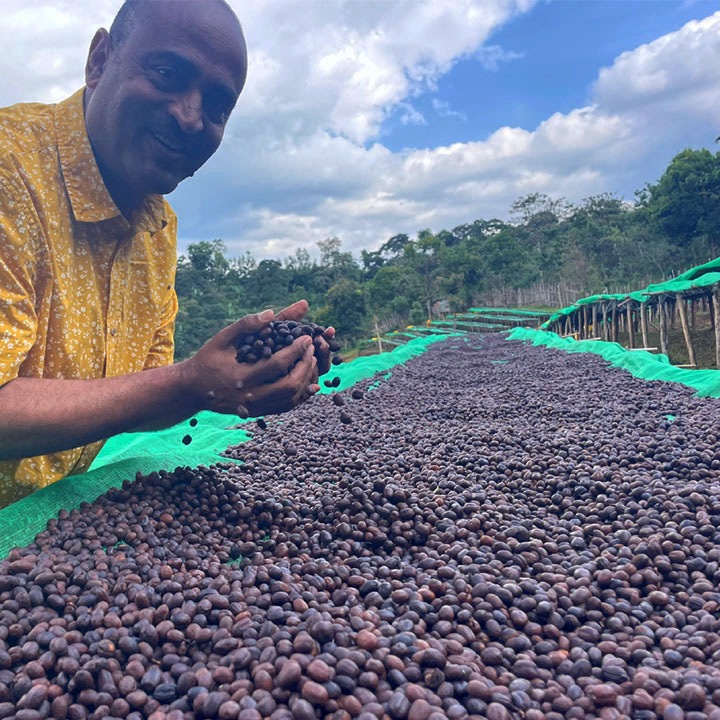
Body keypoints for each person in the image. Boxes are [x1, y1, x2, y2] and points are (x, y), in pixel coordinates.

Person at [0, 0, 332, 507]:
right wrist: (189, 383)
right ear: (99, 61)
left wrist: (238, 372)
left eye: (217, 107)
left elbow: (139, 397)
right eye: (167, 74)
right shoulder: (11, 172)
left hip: (42, 519)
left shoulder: (157, 225)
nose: (190, 118)